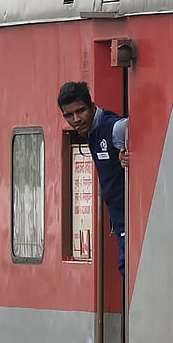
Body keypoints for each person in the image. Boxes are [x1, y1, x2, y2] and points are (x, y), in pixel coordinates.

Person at [58, 81, 128, 276]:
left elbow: (133, 127)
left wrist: (133, 154)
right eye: (69, 115)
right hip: (121, 221)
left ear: (92, 106)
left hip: (131, 221)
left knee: (128, 270)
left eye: (81, 111)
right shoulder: (91, 131)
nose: (76, 119)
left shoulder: (112, 127)